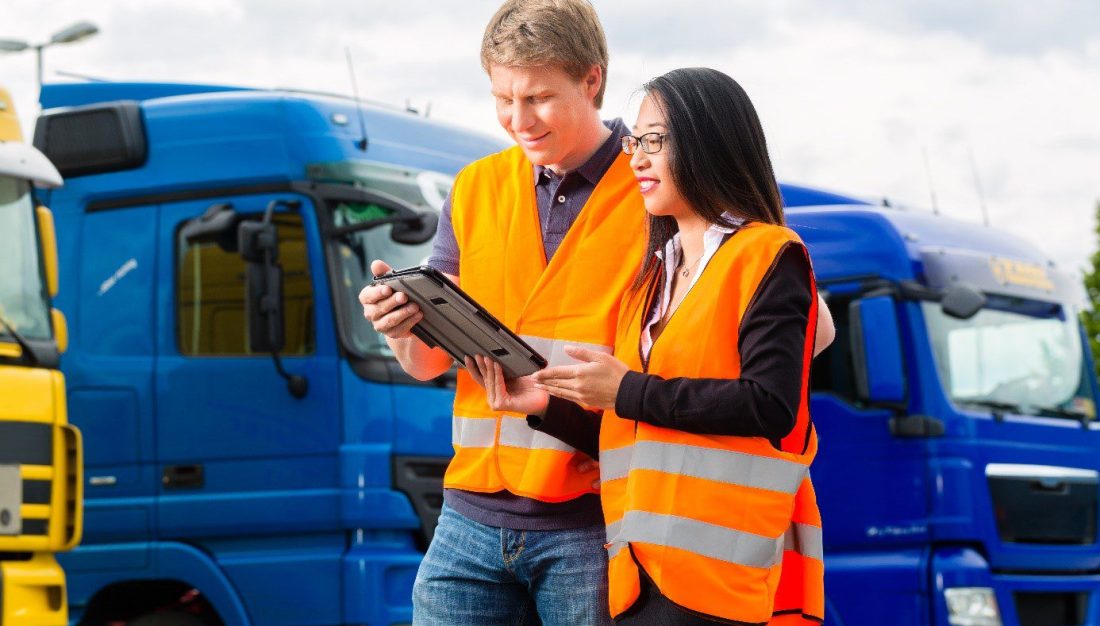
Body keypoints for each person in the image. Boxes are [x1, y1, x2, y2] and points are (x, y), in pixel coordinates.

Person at [359, 1, 833, 622]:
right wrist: (400, 324)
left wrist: (640, 391)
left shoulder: (658, 182)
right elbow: (425, 363)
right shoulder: (475, 189)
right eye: (502, 98)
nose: (517, 120)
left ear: (591, 79)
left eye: (537, 98)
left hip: (593, 516)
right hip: (470, 513)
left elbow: (808, 329)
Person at [471, 67, 825, 625]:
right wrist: (544, 407)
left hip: (716, 583)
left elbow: (771, 407)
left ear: (708, 142)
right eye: (636, 140)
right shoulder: (653, 280)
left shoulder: (769, 254)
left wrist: (627, 389)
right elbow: (633, 432)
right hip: (637, 574)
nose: (635, 158)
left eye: (654, 141)